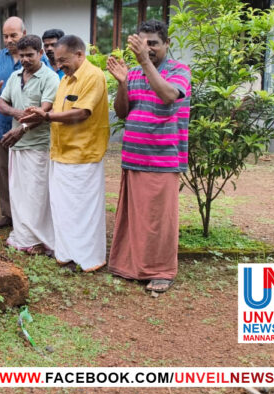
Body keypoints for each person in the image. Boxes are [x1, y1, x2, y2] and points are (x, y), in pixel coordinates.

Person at [106, 20, 191, 293]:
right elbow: (122, 112)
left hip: (163, 159)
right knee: (136, 218)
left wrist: (144, 62)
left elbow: (168, 95)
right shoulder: (132, 73)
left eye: (153, 43)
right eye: (143, 43)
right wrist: (121, 84)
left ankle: (161, 271)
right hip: (134, 156)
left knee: (159, 221)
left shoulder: (180, 71)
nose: (148, 48)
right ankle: (131, 266)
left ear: (167, 44)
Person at [21, 35, 110, 272]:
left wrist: (46, 116)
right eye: (57, 61)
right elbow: (57, 111)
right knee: (64, 211)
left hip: (83, 155)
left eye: (63, 60)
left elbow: (82, 113)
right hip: (60, 154)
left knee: (83, 212)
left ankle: (88, 259)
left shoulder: (94, 76)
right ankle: (67, 255)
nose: (59, 66)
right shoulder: (66, 80)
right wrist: (39, 113)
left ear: (79, 54)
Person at [0, 35, 59, 255]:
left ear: (40, 53)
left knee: (37, 194)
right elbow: (2, 104)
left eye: (29, 55)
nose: (24, 59)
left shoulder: (50, 78)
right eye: (21, 55)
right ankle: (23, 237)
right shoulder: (15, 76)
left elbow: (44, 111)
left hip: (38, 144)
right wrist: (18, 114)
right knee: (19, 193)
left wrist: (21, 128)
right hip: (17, 145)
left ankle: (39, 241)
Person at [0, 16, 50, 229]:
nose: (8, 40)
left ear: (23, 34)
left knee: (29, 176)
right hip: (3, 124)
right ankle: (8, 214)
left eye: (13, 35)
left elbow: (47, 92)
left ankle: (29, 217)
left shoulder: (41, 61)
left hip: (31, 129)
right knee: (3, 172)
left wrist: (26, 118)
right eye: (5, 36)